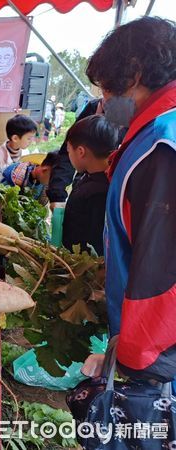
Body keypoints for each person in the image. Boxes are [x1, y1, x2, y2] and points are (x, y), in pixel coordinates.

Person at [78, 17, 176, 393]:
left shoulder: (161, 147)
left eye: (105, 87)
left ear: (133, 73)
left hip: (160, 359)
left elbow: (161, 275)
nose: (103, 101)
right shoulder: (149, 134)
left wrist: (134, 360)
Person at [62, 115, 118, 255]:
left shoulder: (97, 192)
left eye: (69, 151)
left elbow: (94, 243)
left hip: (85, 267)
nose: (69, 156)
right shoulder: (111, 178)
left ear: (81, 151)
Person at [0, 114, 38, 182]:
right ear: (15, 138)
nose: (32, 141)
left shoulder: (25, 151)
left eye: (32, 138)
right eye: (29, 138)